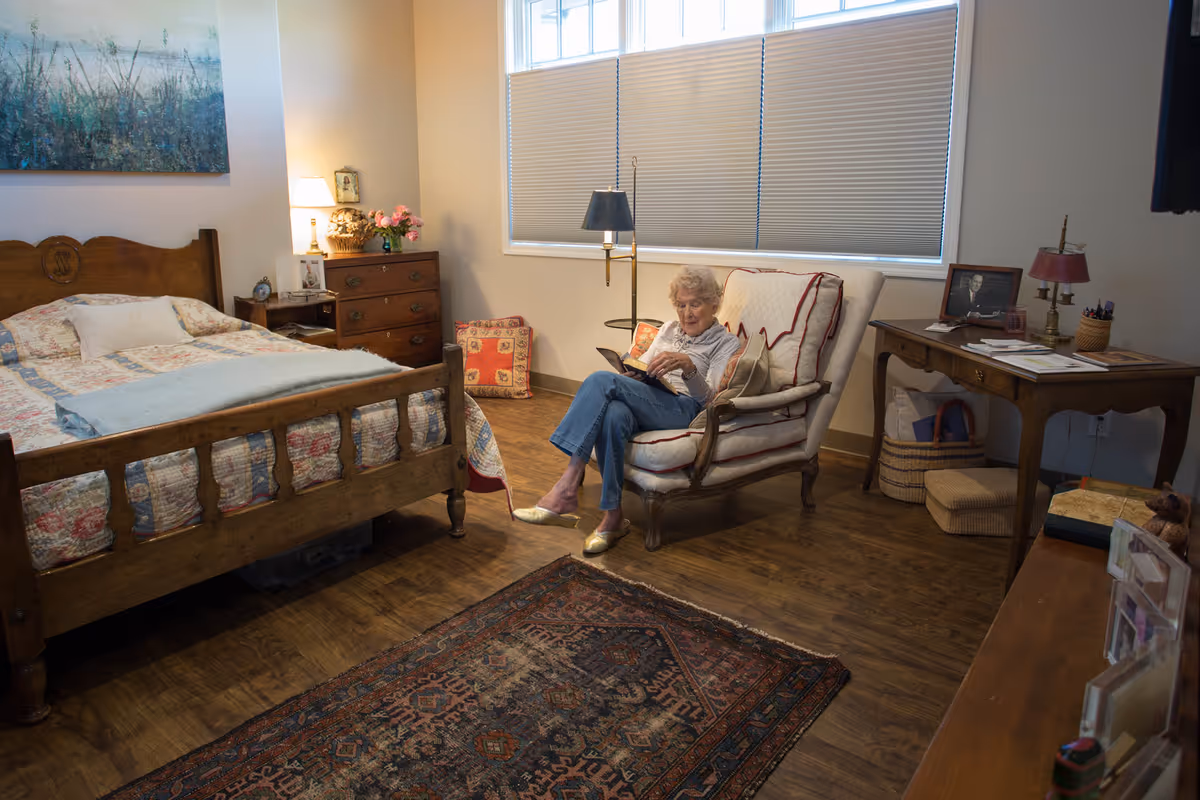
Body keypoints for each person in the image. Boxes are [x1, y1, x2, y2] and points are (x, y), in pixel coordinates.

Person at [513, 265, 741, 554]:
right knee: (613, 414)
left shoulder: (724, 342)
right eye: (681, 305)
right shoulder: (669, 329)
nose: (687, 313)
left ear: (714, 303)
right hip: (651, 398)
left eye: (695, 304)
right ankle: (613, 518)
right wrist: (632, 374)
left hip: (684, 409)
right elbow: (643, 363)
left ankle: (567, 485)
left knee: (598, 380)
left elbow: (709, 399)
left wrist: (688, 366)